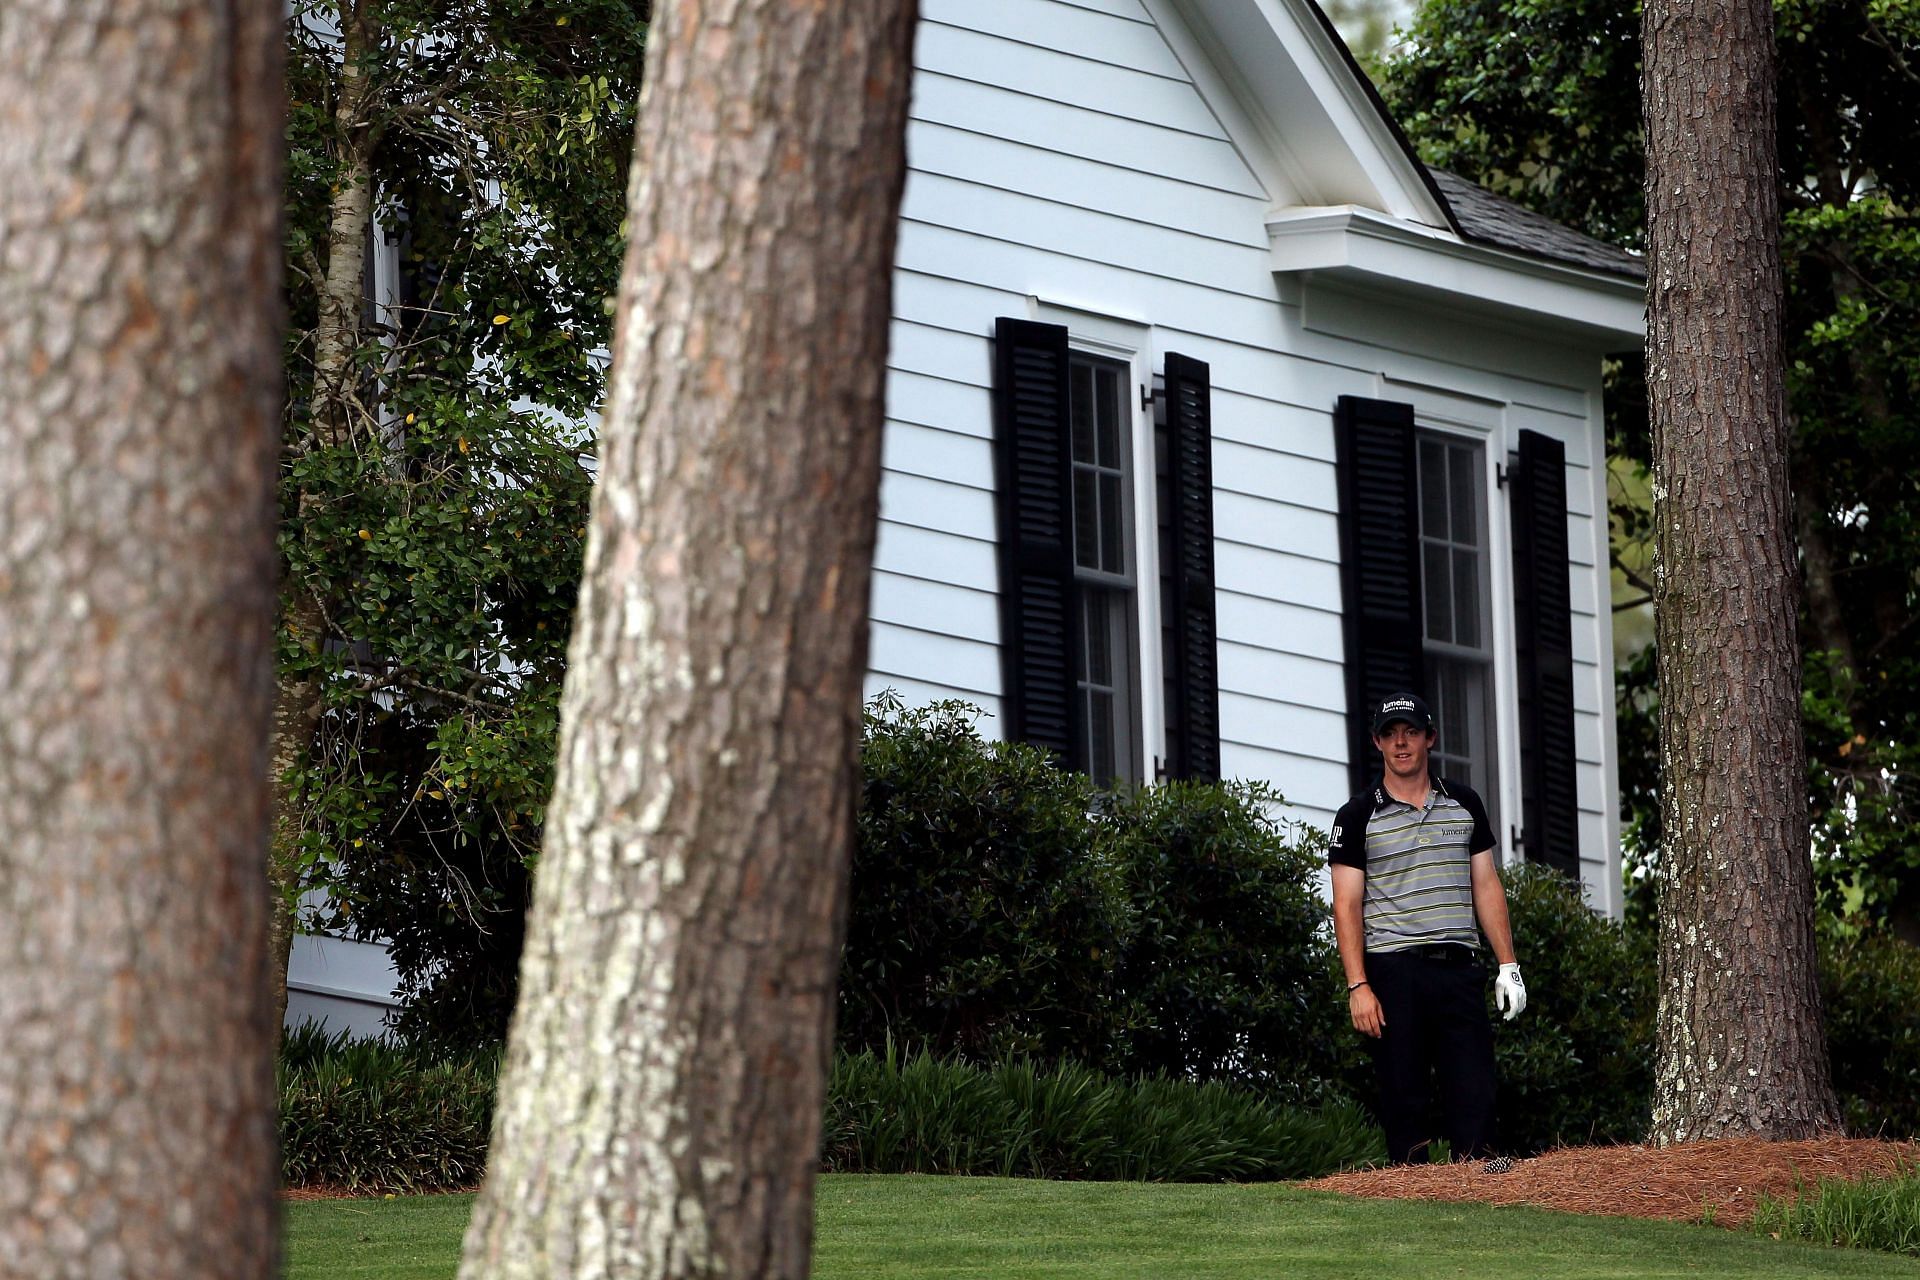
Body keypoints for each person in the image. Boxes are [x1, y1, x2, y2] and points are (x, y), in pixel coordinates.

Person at [1328, 692, 1527, 1166]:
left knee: (1475, 1095)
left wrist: (1508, 964)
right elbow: (1347, 905)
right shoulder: (1357, 816)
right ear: (1377, 742)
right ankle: (1411, 1211)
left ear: (1429, 739)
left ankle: (1481, 1200)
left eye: (1411, 732)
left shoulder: (1464, 802)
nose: (1401, 743)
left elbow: (1486, 883)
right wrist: (1358, 985)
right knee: (1405, 1100)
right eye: (1391, 734)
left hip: (1458, 969)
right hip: (1394, 973)